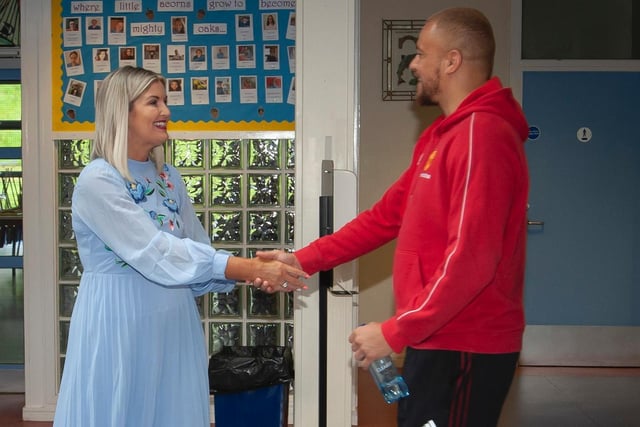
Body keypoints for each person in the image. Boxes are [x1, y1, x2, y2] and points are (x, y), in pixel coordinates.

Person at [257, 7, 529, 427]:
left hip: (465, 345)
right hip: (433, 334)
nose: (414, 63)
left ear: (452, 61)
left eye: (421, 53)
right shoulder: (441, 136)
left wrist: (394, 331)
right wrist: (302, 259)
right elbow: (385, 217)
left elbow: (472, 259)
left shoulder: (482, 136)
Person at [52, 66, 308, 427]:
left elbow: (194, 253)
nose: (166, 111)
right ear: (120, 111)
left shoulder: (168, 178)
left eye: (166, 101)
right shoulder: (99, 180)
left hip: (173, 322)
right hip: (120, 324)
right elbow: (157, 253)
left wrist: (253, 270)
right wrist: (247, 268)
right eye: (153, 102)